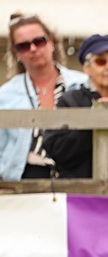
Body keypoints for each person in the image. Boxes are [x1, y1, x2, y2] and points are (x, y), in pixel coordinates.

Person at [40, 34, 108, 179]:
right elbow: (55, 149)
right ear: (86, 67)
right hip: (82, 194)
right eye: (101, 61)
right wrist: (94, 122)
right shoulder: (71, 101)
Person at [0, 12, 87, 180]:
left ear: (52, 42)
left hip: (76, 177)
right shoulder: (5, 95)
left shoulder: (83, 83)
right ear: (16, 53)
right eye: (23, 46)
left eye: (39, 41)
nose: (33, 49)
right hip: (24, 180)